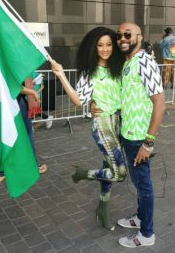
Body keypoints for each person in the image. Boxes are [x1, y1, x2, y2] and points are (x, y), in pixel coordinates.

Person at [51, 27, 126, 230]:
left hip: (119, 123)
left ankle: (103, 208)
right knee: (120, 173)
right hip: (102, 125)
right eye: (100, 45)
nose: (105, 49)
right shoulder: (89, 72)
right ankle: (83, 173)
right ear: (93, 48)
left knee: (108, 170)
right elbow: (78, 101)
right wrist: (61, 76)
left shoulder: (119, 66)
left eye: (109, 44)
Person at [113, 22, 165, 248]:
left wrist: (148, 143)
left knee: (143, 186)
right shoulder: (130, 62)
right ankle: (140, 217)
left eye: (127, 34)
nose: (122, 38)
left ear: (139, 37)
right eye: (119, 35)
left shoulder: (145, 62)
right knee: (138, 182)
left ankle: (146, 234)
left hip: (138, 139)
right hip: (128, 134)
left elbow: (160, 104)